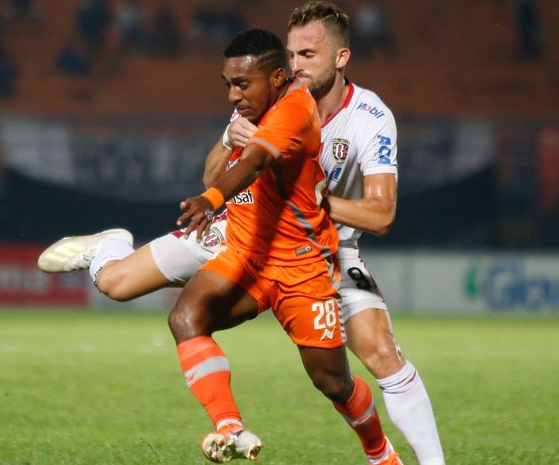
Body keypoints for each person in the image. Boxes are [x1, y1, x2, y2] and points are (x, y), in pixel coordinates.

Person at [38, 3, 445, 465]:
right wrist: (230, 139)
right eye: (291, 54)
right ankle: (112, 243)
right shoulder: (262, 96)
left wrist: (308, 201)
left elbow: (382, 214)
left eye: (308, 54)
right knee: (115, 283)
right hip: (239, 229)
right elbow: (216, 176)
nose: (296, 65)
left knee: (376, 355)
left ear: (340, 58)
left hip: (321, 248)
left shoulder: (369, 117)